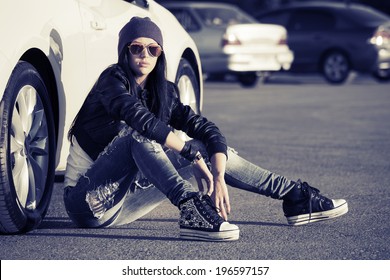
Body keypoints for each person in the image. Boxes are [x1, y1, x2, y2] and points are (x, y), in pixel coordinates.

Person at [63, 17, 348, 242]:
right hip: (87, 204)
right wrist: (190, 155)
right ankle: (190, 208)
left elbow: (208, 130)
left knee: (206, 147)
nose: (144, 55)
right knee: (141, 137)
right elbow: (138, 119)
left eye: (153, 49)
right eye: (136, 47)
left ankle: (295, 197)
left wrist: (218, 173)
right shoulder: (111, 81)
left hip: (126, 204)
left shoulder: (165, 92)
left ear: (160, 54)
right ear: (124, 51)